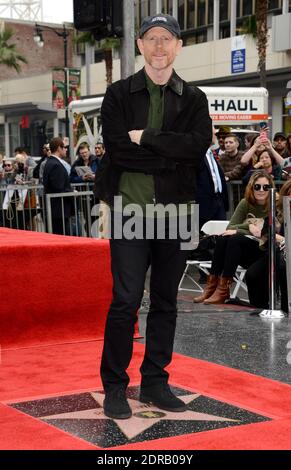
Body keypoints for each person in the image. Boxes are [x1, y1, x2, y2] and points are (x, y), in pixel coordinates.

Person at [98, 13, 212, 419]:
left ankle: (155, 382)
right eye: (152, 39)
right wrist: (169, 157)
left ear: (179, 46)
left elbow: (196, 147)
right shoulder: (118, 94)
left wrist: (146, 138)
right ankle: (114, 385)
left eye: (167, 38)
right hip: (129, 209)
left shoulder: (194, 98)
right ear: (141, 45)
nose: (160, 46)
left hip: (177, 212)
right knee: (125, 301)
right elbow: (116, 150)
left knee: (166, 301)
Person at [193, 170, 275, 305]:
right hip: (244, 251)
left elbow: (265, 232)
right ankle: (212, 288)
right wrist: (248, 226)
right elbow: (230, 227)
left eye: (265, 187)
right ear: (251, 187)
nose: (261, 190)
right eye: (257, 186)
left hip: (265, 252)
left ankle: (222, 289)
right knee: (224, 238)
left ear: (270, 188)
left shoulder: (274, 203)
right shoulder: (246, 203)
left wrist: (242, 229)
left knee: (235, 238)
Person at [245, 180, 291, 314]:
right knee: (252, 274)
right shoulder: (278, 210)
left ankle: (285, 309)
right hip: (275, 252)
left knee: (283, 267)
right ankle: (260, 308)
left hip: (285, 255)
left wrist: (283, 239)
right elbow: (265, 232)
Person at [43, 137, 73, 235]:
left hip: (56, 210)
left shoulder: (51, 162)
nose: (66, 149)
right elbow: (58, 188)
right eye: (64, 147)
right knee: (62, 239)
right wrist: (72, 192)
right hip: (59, 211)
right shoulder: (55, 165)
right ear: (59, 148)